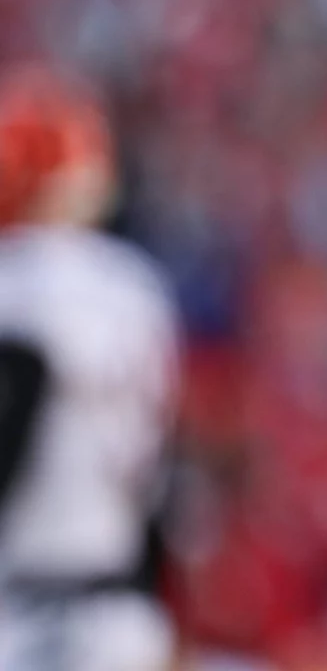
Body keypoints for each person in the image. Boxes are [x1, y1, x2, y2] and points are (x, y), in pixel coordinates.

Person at [0, 66, 180, 671]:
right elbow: (162, 473)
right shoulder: (138, 287)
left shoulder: (17, 283)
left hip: (28, 607)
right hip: (124, 610)